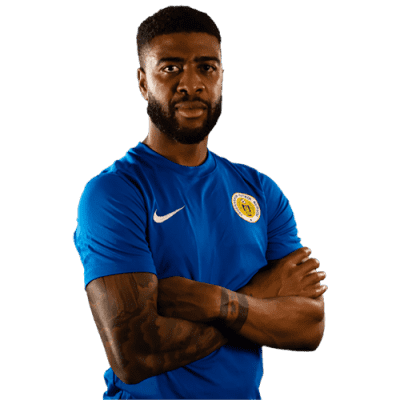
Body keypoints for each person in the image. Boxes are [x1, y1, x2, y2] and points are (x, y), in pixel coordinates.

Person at [72, 5, 327, 400]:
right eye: (170, 68)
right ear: (143, 82)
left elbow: (309, 326)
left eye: (207, 68)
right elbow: (134, 355)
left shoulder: (260, 190)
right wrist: (259, 297)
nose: (191, 84)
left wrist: (216, 302)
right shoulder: (115, 192)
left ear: (222, 76)